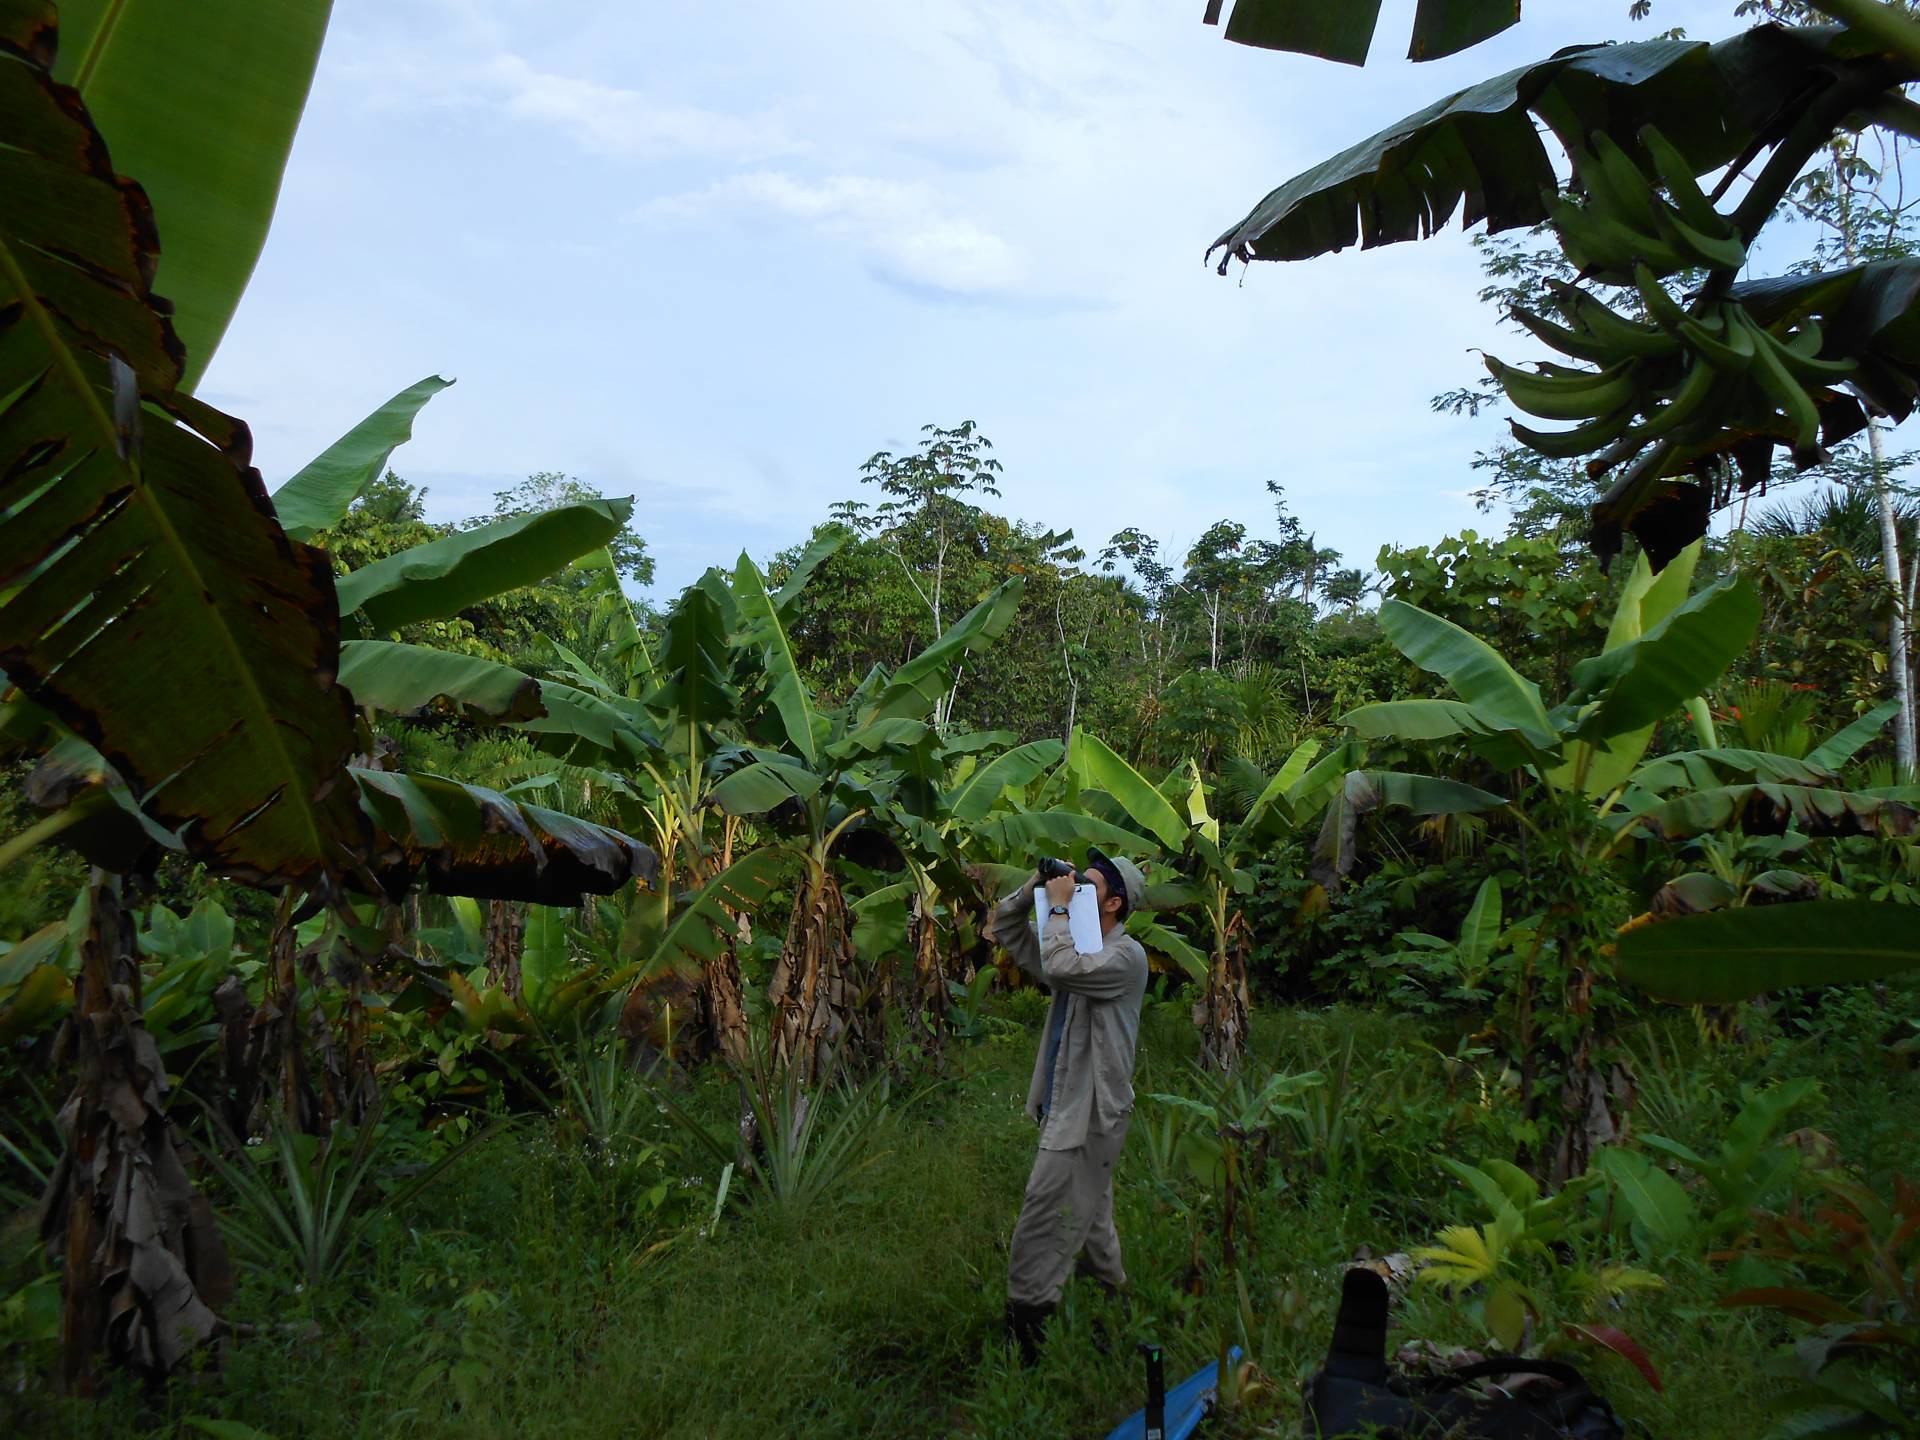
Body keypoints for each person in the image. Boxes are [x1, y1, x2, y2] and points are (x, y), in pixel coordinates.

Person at [988, 845, 1149, 1366]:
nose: (1077, 887)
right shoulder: (1076, 945)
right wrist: (1035, 887)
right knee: (1093, 1220)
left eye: (1090, 885)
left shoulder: (1124, 957)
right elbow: (1008, 931)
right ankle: (1114, 1311)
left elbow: (1058, 967)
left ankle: (1028, 1337)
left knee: (1044, 1219)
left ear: (1114, 905)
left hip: (1091, 1113)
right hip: (1070, 1105)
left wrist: (1056, 909)